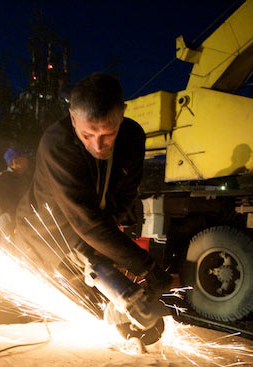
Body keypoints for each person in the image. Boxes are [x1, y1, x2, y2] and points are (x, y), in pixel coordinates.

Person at [13, 73, 172, 338]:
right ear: (73, 118)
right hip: (48, 239)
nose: (98, 145)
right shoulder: (57, 144)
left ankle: (122, 324)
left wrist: (110, 247)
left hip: (90, 232)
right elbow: (84, 220)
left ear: (122, 114)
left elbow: (124, 197)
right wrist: (146, 266)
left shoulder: (133, 138)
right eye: (87, 135)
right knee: (61, 316)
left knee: (104, 295)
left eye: (108, 134)